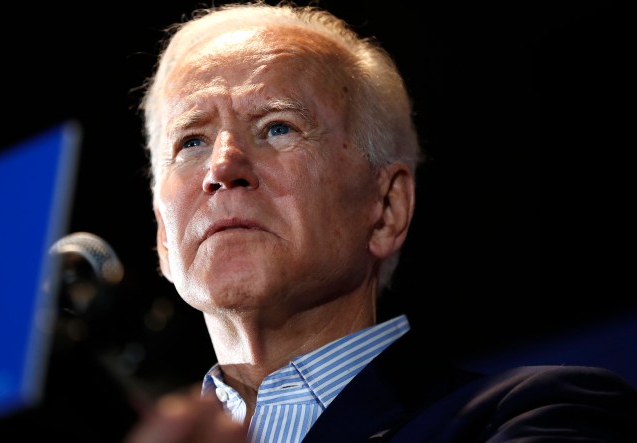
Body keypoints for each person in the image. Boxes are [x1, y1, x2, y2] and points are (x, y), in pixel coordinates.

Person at [122, 1, 637, 442]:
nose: (222, 167)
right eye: (191, 141)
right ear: (164, 236)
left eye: (278, 127)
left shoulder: (537, 413)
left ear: (387, 208)